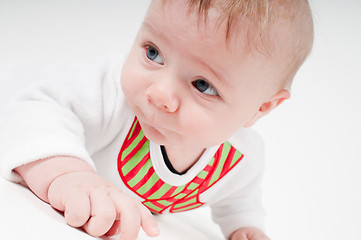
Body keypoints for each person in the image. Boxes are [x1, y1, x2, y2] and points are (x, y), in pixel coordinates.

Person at [0, 0, 314, 239]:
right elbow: (35, 108)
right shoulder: (108, 93)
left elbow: (239, 199)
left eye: (202, 85)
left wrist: (244, 226)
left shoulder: (238, 160)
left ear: (262, 107)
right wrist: (66, 174)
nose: (160, 93)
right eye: (153, 53)